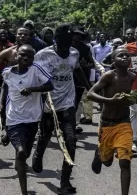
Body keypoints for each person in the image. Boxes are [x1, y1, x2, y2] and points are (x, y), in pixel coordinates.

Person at [32, 24, 91, 194]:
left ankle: (65, 181)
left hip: (67, 103)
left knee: (71, 142)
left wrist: (89, 88)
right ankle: (38, 154)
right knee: (45, 135)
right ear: (56, 41)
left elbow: (77, 70)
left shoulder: (74, 53)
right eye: (63, 45)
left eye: (69, 44)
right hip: (48, 104)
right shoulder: (42, 55)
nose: (66, 49)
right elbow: (34, 76)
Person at [0, 44, 53, 195]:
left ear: (33, 58)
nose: (25, 58)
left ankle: (20, 162)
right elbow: (6, 87)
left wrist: (32, 89)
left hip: (32, 118)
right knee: (20, 152)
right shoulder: (7, 71)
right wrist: (0, 103)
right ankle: (24, 192)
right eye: (22, 55)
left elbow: (50, 85)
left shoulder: (36, 69)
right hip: (13, 117)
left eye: (29, 56)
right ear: (16, 56)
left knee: (24, 154)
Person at [87, 47, 135, 195]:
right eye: (121, 56)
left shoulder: (132, 77)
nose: (125, 58)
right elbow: (90, 94)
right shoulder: (108, 76)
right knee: (107, 162)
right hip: (107, 124)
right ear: (113, 60)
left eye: (127, 55)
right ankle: (99, 153)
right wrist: (110, 100)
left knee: (125, 162)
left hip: (124, 123)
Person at [72, 26, 95, 133]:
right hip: (67, 79)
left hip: (80, 79)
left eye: (79, 35)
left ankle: (73, 124)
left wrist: (86, 65)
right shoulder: (67, 46)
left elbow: (92, 64)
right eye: (75, 34)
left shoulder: (85, 48)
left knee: (76, 102)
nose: (77, 36)